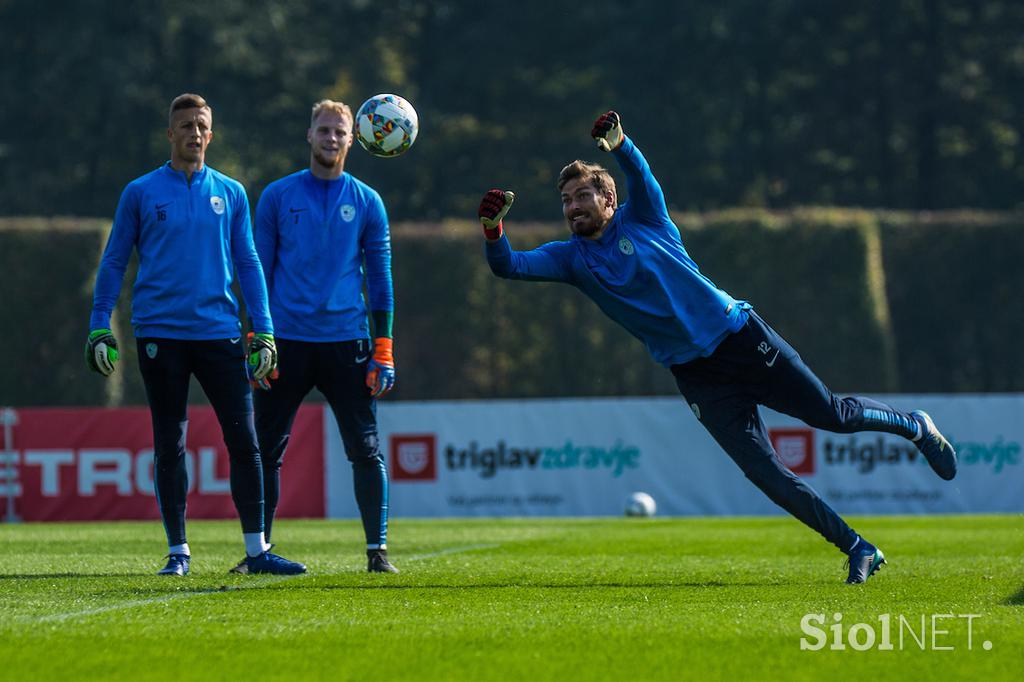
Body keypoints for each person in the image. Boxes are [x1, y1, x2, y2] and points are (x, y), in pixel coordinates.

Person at [477, 111, 958, 584]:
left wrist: (621, 145)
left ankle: (916, 427)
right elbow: (511, 266)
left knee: (832, 415)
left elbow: (641, 176)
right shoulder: (570, 259)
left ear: (609, 199)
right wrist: (494, 230)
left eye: (582, 196)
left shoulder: (645, 219)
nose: (572, 207)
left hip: (741, 339)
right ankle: (858, 547)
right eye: (565, 200)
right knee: (765, 475)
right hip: (698, 376)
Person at [85, 93, 306, 577]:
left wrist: (264, 330)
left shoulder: (230, 193)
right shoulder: (140, 192)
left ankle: (256, 551)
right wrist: (101, 322)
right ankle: (178, 552)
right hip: (159, 335)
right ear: (170, 133)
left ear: (211, 132)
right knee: (170, 444)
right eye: (184, 124)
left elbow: (249, 264)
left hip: (220, 335)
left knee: (245, 442)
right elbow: (114, 260)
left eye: (201, 124)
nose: (193, 132)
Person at [248, 99, 398, 574]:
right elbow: (256, 274)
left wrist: (384, 349)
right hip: (285, 343)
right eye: (324, 130)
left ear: (354, 140)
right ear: (308, 135)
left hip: (347, 344)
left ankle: (377, 552)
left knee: (365, 448)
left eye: (340, 132)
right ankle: (259, 551)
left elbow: (380, 278)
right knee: (266, 450)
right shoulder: (276, 196)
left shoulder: (369, 201)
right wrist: (257, 339)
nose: (331, 138)